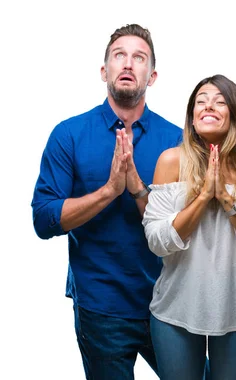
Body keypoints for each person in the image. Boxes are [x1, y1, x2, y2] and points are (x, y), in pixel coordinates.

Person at [31, 24, 182, 379]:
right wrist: (109, 191)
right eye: (119, 56)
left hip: (169, 304)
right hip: (101, 307)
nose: (128, 64)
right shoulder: (69, 134)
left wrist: (135, 188)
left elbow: (184, 228)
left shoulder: (176, 139)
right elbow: (43, 218)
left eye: (139, 58)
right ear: (104, 71)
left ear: (153, 75)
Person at [142, 74, 236, 380]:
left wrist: (226, 198)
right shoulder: (171, 160)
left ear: (235, 113)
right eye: (201, 101)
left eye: (220, 101)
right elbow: (156, 240)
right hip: (174, 313)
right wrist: (204, 197)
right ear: (192, 117)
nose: (210, 106)